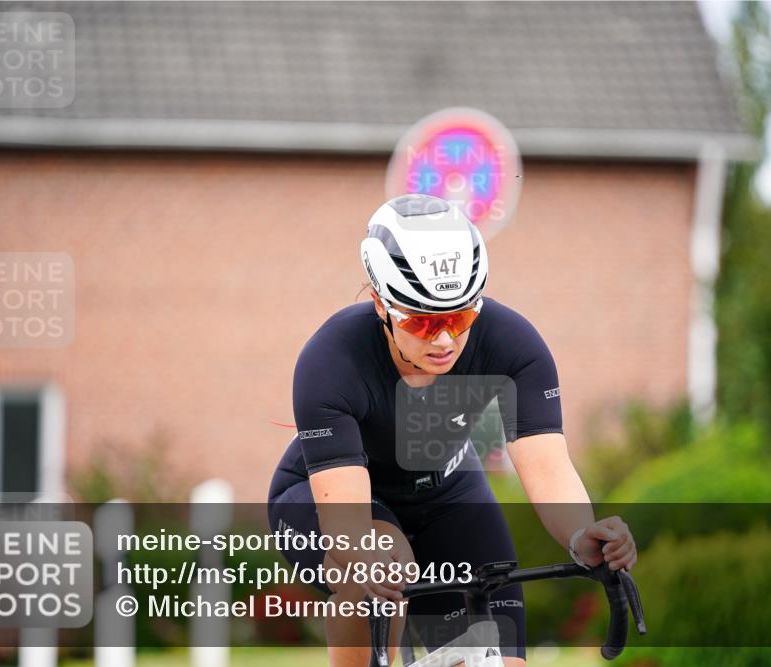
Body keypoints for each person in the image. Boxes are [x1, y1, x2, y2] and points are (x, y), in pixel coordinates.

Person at [268, 193, 637, 667]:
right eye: (423, 322)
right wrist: (364, 558)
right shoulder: (331, 361)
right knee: (379, 562)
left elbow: (547, 464)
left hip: (447, 491)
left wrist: (580, 532)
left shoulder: (512, 343)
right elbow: (346, 524)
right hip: (326, 497)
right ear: (381, 304)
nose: (444, 339)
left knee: (501, 661)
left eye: (460, 318)